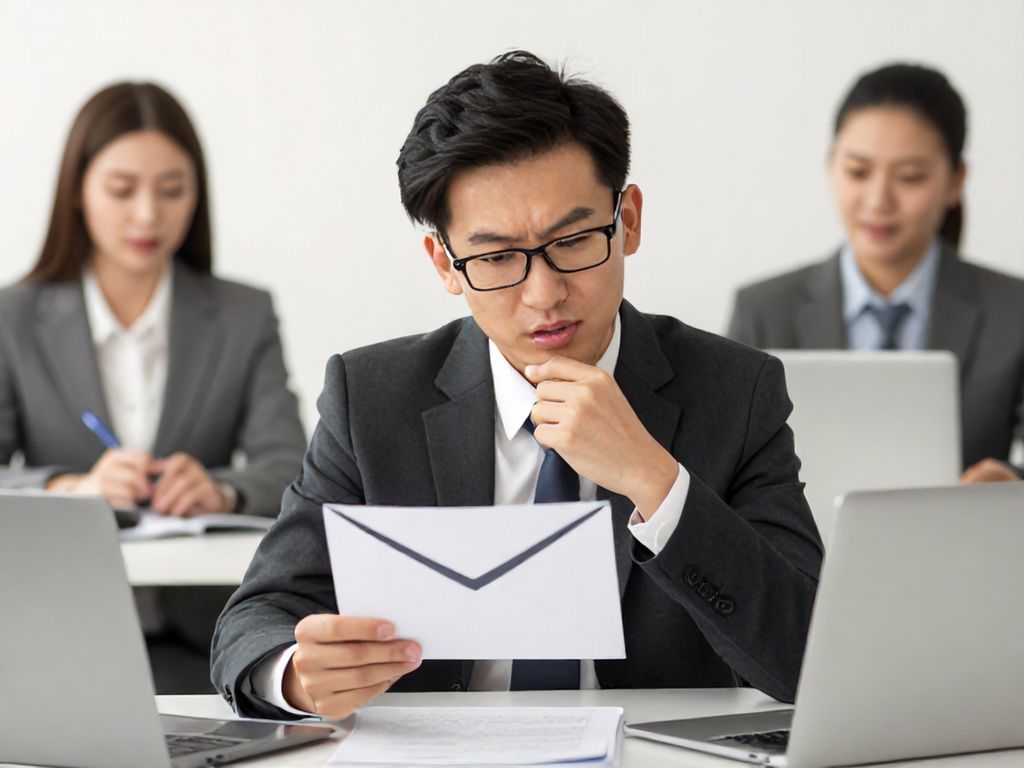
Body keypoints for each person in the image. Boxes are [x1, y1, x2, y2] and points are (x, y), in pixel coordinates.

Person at [212, 51, 823, 720]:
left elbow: (811, 655)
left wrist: (653, 479)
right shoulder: (372, 398)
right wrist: (297, 675)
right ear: (445, 264)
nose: (544, 293)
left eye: (574, 240)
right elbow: (256, 618)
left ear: (629, 221)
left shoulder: (736, 391)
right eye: (498, 257)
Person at [0, 82, 307, 690]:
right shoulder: (14, 318)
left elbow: (293, 468)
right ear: (77, 192)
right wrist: (70, 488)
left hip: (207, 641)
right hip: (53, 634)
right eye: (122, 190)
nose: (148, 215)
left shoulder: (242, 314)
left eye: (172, 190)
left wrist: (221, 492)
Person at [728, 63, 1024, 483]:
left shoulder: (1013, 312)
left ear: (955, 182)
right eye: (858, 172)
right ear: (832, 166)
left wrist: (1012, 484)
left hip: (966, 527)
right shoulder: (763, 312)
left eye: (910, 177)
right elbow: (722, 462)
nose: (878, 200)